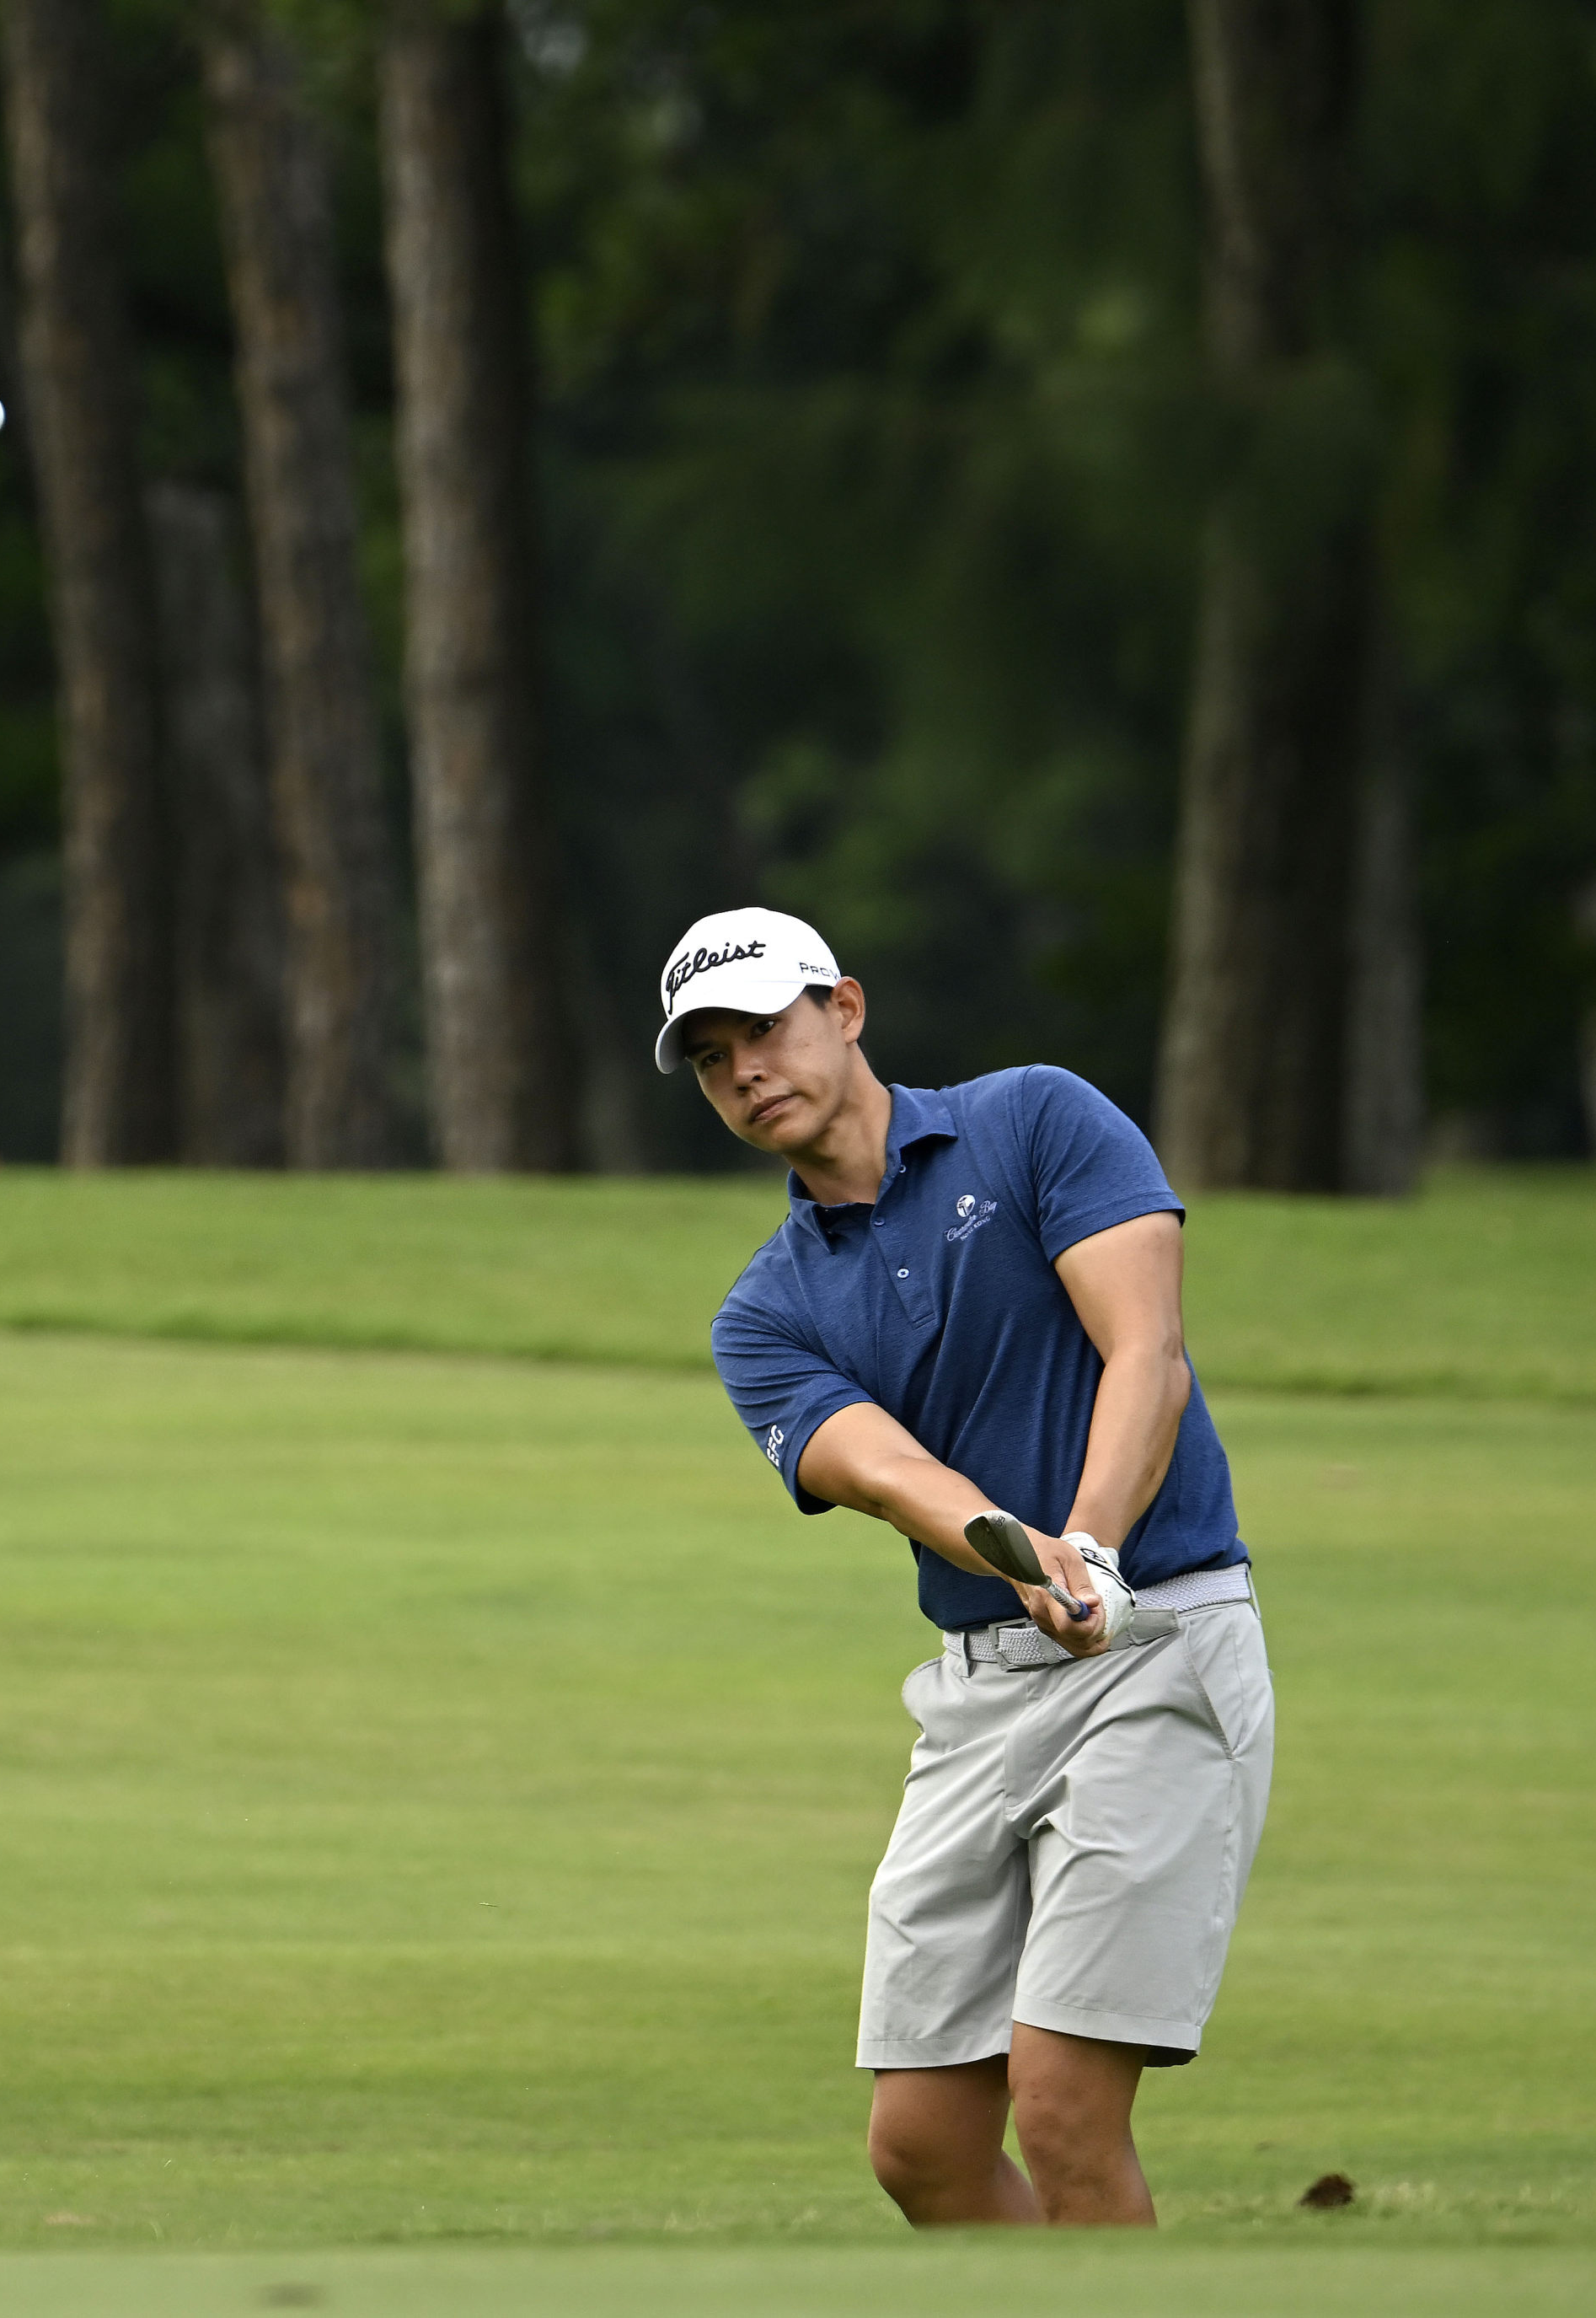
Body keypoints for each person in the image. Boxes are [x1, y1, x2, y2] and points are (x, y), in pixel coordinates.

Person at [656, 905, 1273, 2229]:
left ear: (847, 1007)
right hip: (983, 1685)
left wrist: (1092, 1545)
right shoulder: (763, 1312)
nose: (745, 1068)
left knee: (1058, 2100)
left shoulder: (1036, 1119)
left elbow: (1145, 1352)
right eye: (712, 1056)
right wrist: (1024, 1556)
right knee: (922, 2143)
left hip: (1155, 1641)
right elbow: (888, 1472)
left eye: (763, 1026)